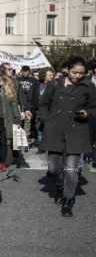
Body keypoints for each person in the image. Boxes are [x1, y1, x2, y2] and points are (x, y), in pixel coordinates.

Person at [38, 57, 96, 216]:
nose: (78, 76)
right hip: (54, 130)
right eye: (74, 72)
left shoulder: (88, 86)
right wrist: (46, 120)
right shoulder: (55, 84)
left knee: (71, 169)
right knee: (54, 169)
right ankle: (59, 186)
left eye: (81, 73)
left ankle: (68, 200)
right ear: (67, 70)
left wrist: (87, 113)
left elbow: (94, 107)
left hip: (76, 130)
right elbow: (43, 105)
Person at [16, 65, 40, 143]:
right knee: (19, 120)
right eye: (24, 72)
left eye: (27, 73)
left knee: (28, 120)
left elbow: (36, 91)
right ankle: (19, 137)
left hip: (29, 103)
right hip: (20, 102)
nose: (26, 74)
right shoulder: (18, 79)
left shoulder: (33, 80)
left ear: (29, 72)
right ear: (21, 71)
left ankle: (26, 136)